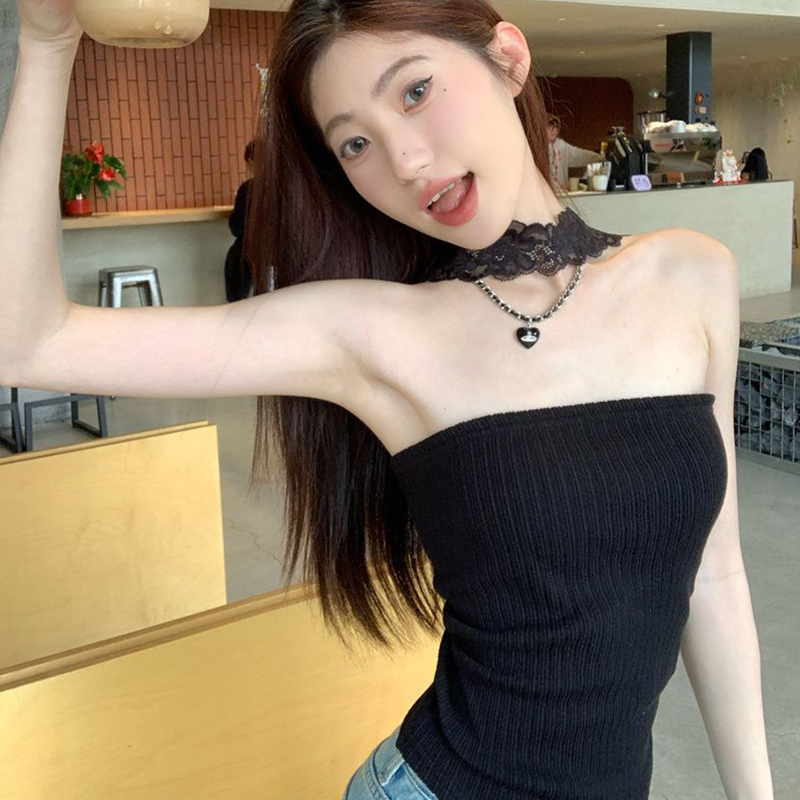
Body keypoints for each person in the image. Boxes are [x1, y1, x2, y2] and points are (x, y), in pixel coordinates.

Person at [1, 1, 774, 800]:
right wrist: (49, 43)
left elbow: (714, 575)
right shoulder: (372, 334)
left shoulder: (690, 276)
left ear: (508, 59)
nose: (405, 161)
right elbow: (25, 340)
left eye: (415, 91)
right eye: (355, 144)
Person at [224, 140, 256, 302]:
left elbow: (237, 226)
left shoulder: (249, 188)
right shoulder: (288, 187)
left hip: (250, 257)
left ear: (251, 162)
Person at [546, 113, 603, 190]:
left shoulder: (561, 146)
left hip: (562, 194)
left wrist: (599, 158)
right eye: (550, 126)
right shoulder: (536, 149)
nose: (554, 130)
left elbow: (581, 155)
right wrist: (560, 185)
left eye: (555, 127)